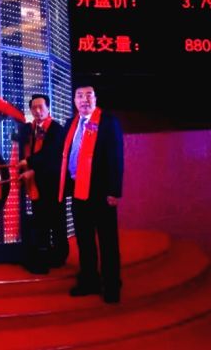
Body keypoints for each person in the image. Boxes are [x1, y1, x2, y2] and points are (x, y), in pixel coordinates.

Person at [59, 83, 124, 304]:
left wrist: (114, 191)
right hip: (78, 192)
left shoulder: (107, 122)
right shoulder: (71, 123)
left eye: (89, 95)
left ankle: (112, 286)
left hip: (102, 193)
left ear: (95, 98)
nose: (84, 99)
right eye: (79, 95)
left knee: (107, 241)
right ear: (74, 100)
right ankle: (89, 281)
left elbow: (116, 157)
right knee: (84, 240)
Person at [18, 94, 68, 274]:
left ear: (48, 108)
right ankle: (44, 256)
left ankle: (60, 255)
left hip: (53, 183)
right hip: (36, 184)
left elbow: (52, 155)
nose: (38, 111)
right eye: (34, 108)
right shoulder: (30, 129)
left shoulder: (56, 129)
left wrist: (29, 164)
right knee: (41, 221)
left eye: (41, 107)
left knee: (57, 221)